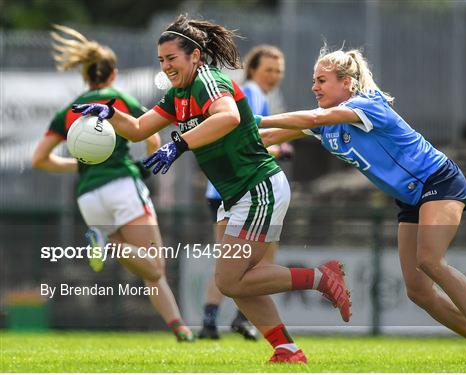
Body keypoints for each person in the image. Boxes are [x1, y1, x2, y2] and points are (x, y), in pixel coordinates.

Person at [72, 15, 351, 364]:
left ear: (195, 56)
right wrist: (109, 113)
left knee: (231, 280)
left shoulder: (208, 80)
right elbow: (141, 128)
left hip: (258, 184)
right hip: (235, 193)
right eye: (161, 60)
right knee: (235, 282)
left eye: (172, 58)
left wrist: (178, 145)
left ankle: (320, 278)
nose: (166, 66)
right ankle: (287, 349)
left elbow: (228, 117)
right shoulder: (178, 94)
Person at [257, 46, 466, 364]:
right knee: (418, 291)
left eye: (321, 80)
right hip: (409, 197)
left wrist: (256, 117)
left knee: (430, 260)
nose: (314, 87)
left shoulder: (367, 105)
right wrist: (216, 132)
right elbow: (265, 137)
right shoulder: (327, 122)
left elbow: (311, 117)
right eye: (314, 81)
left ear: (348, 83)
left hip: (438, 182)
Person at [32, 24, 194, 342]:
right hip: (122, 185)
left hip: (89, 196)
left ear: (86, 75)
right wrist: (145, 164)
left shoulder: (69, 111)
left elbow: (40, 159)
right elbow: (148, 134)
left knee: (147, 269)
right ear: (113, 73)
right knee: (156, 265)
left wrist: (80, 166)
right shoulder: (117, 99)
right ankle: (107, 245)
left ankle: (180, 328)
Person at [199, 45, 293, 341]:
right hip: (242, 189)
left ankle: (212, 322)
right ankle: (240, 319)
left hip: (221, 189)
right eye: (269, 69)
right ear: (253, 70)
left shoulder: (251, 91)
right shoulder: (252, 92)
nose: (274, 76)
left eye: (279, 71)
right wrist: (280, 148)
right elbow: (244, 137)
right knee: (257, 263)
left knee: (230, 261)